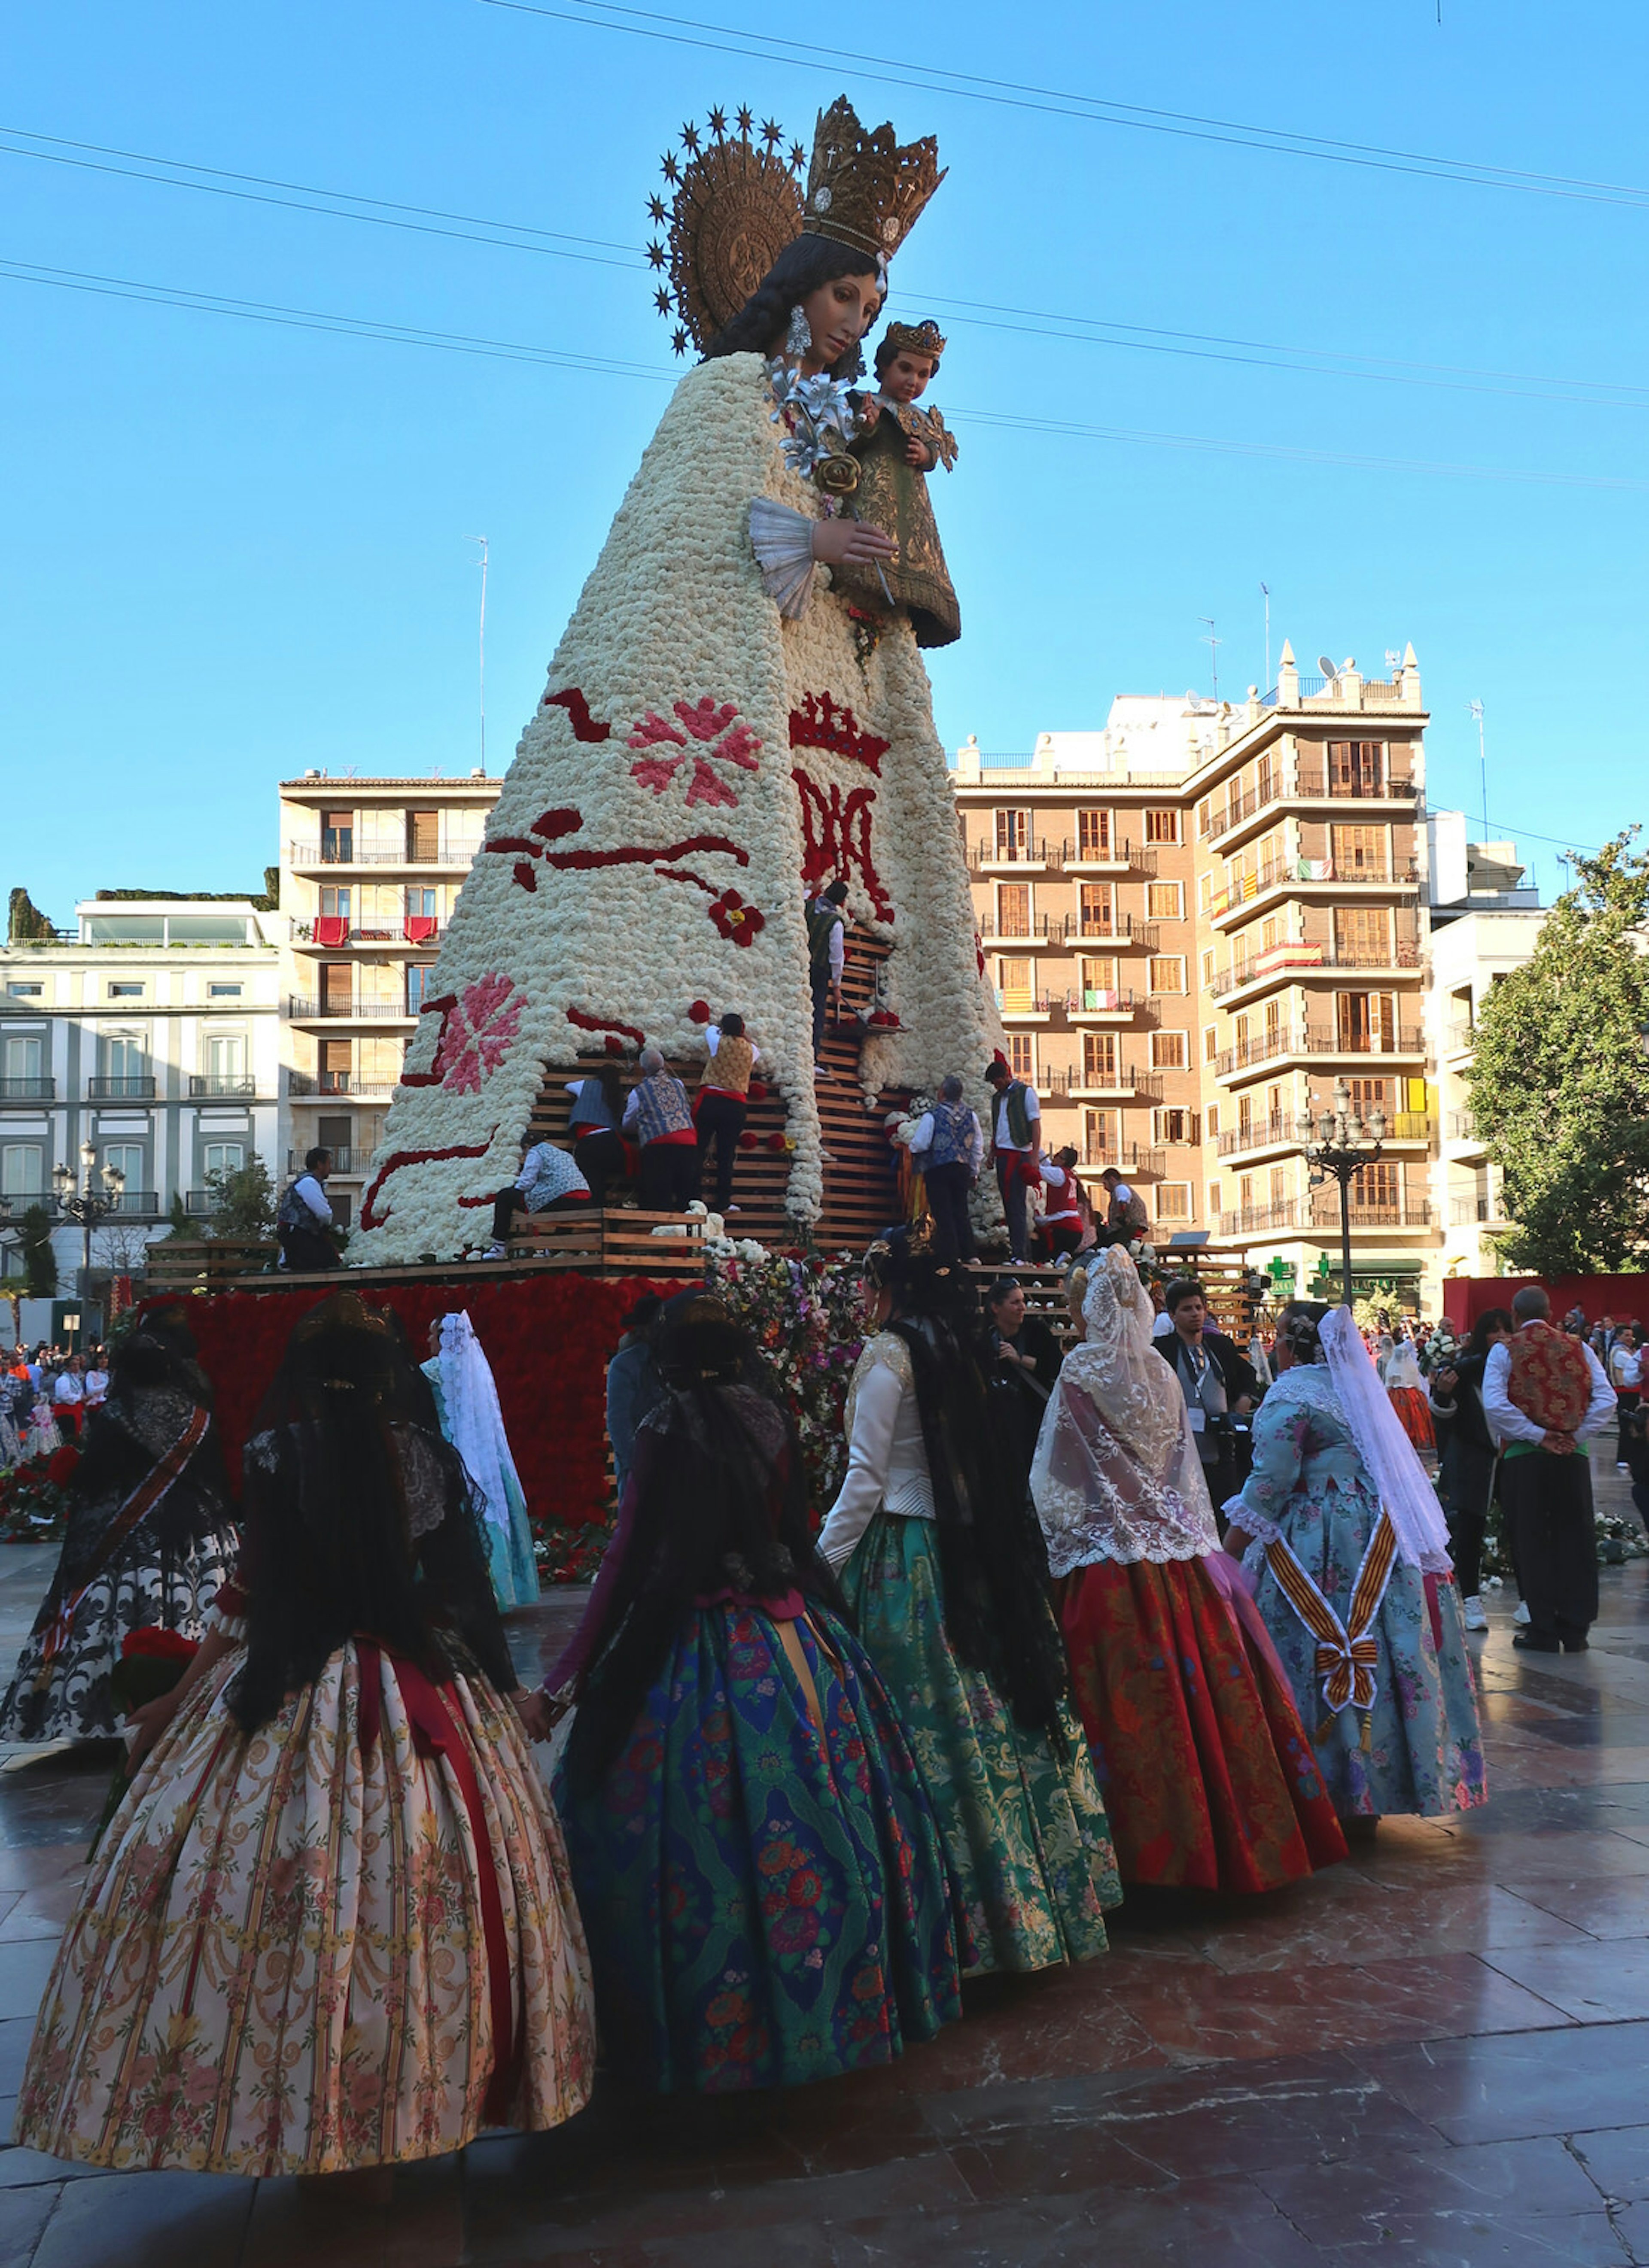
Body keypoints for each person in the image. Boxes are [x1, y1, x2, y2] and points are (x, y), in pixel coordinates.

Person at [16, 1292, 595, 2174]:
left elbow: (251, 1594)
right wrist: (506, 1695)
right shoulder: (422, 1456)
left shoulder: (281, 1453)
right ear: (387, 1379)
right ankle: (431, 2078)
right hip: (421, 1686)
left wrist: (178, 1699)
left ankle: (284, 2092)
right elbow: (464, 1591)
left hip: (289, 1683)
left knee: (271, 1885)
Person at [548, 1293, 962, 2092]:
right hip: (795, 1637)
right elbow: (792, 1528)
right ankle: (842, 1999)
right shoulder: (768, 1424)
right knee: (833, 1799)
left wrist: (565, 1682)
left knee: (670, 1825)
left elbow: (628, 1558)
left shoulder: (662, 1431)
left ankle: (701, 2026)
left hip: (690, 1653)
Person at [818, 1229, 1119, 1974]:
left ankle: (943, 1918)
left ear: (891, 1289)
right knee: (983, 1719)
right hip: (964, 1554)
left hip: (901, 1554)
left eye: (866, 1280)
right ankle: (1022, 1903)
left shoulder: (889, 1356)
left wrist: (820, 1566)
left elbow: (865, 1479)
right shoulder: (952, 1350)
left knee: (923, 1726)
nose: (859, 1293)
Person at [1031, 1251, 1346, 1890]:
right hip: (1181, 1553)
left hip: (1109, 1563)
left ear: (1089, 1308)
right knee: (1211, 1697)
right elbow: (1181, 1465)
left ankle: (1130, 1861)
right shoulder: (1163, 1371)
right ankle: (1230, 1841)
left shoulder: (1082, 1367)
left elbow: (1058, 1469)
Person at [1223, 1303, 1487, 1823]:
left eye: (1278, 1337)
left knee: (1308, 1639)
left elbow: (1272, 1479)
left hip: (1314, 1531)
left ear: (1292, 1344)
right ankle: (1376, 1784)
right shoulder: (1359, 1391)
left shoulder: (1292, 1392)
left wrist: (1226, 1550)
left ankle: (1325, 1785)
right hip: (1378, 1528)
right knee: (1384, 1643)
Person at [0, 1306, 238, 1744]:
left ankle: (101, 1716)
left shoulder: (116, 1414)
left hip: (123, 1538)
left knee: (111, 1614)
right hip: (197, 1539)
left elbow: (97, 1482)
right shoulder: (197, 1415)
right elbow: (215, 1479)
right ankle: (200, 1703)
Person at [1482, 1284, 1616, 1654]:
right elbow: (1607, 1399)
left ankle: (1542, 1627)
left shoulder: (1504, 1350)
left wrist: (1538, 1435)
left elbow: (1495, 1404)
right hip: (1572, 1457)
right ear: (1552, 1314)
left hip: (1524, 1458)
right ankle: (1576, 1629)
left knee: (1532, 1539)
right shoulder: (1581, 1347)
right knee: (1576, 1538)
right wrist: (1573, 1435)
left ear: (1515, 1314)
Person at [839, 317, 960, 647]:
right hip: (871, 494)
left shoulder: (922, 419)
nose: (913, 381)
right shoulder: (863, 402)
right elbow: (845, 446)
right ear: (884, 366)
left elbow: (938, 451)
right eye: (905, 369)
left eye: (923, 375)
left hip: (912, 506)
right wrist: (867, 427)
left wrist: (927, 455)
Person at [422, 1311, 540, 1611]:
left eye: (433, 1334)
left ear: (446, 1337)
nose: (428, 1340)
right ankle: (505, 1589)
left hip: (452, 1448)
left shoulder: (435, 1369)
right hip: (487, 1454)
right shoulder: (476, 1367)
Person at [1427, 1308, 1515, 1634]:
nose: (1502, 1336)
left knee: (1520, 1527)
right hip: (1473, 1461)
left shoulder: (1519, 1369)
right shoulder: (1465, 1369)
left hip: (1511, 1459)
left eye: (1507, 1329)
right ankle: (1473, 1600)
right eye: (1494, 1330)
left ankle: (1530, 1602)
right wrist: (1444, 1393)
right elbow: (1443, 1415)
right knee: (1470, 1530)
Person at [1154, 1277, 1259, 1515]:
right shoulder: (1162, 1350)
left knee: (1225, 1516)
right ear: (1172, 1315)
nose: (1195, 1314)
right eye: (1187, 1309)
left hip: (1221, 1452)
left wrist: (1244, 1401)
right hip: (1179, 1455)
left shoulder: (1220, 1345)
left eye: (1199, 1308)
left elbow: (1248, 1375)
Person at [980, 1274, 1063, 1492]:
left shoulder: (1037, 1332)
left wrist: (1021, 1360)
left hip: (1034, 1420)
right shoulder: (984, 1337)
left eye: (1022, 1301)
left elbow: (1056, 1367)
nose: (1022, 1307)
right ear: (996, 1308)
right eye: (1015, 1302)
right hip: (1001, 1423)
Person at [905, 1075, 983, 1263]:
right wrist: (974, 1171)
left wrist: (911, 1145)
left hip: (939, 1168)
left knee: (943, 1212)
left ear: (942, 1093)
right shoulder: (971, 1116)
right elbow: (977, 1146)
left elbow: (920, 1144)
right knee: (961, 1211)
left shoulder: (933, 1116)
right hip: (962, 1168)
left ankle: (951, 1254)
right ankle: (970, 1254)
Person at [488, 1134, 593, 1256]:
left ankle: (499, 1247)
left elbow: (526, 1183)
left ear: (527, 1147)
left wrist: (515, 1189)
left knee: (504, 1196)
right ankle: (552, 1251)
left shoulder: (535, 1152)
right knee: (565, 1212)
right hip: (585, 1199)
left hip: (564, 1198)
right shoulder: (564, 1154)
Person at [606, 1292, 666, 1499]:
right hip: (640, 1464)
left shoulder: (668, 1360)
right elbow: (618, 1421)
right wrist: (638, 1463)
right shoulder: (626, 1364)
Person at [623, 1047, 698, 1211]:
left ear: (643, 1069)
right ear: (664, 1065)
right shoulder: (679, 1084)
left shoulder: (638, 1093)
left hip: (658, 1144)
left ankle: (661, 1231)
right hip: (688, 1140)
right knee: (686, 1192)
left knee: (659, 1194)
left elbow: (628, 1124)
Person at [696, 1011, 756, 1214]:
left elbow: (711, 1030)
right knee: (727, 1154)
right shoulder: (751, 1050)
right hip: (736, 1106)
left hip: (712, 1101)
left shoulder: (716, 1040)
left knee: (699, 1149)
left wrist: (722, 1028)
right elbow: (755, 1048)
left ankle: (694, 1198)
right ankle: (723, 1202)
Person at [983, 1058, 1042, 1265]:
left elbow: (1035, 1125)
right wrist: (992, 1153)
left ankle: (1021, 1255)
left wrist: (1035, 1156)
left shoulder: (1026, 1093)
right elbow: (997, 1128)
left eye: (997, 1082)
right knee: (1009, 1206)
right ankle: (1019, 1253)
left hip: (1019, 1155)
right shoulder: (996, 1099)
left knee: (1016, 1204)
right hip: (1003, 1155)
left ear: (1005, 1077)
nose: (996, 1087)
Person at [565, 1061, 628, 1207]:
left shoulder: (586, 1086)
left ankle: (598, 1214)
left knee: (594, 1184)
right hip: (613, 1144)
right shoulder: (617, 1092)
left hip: (590, 1143)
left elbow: (568, 1086)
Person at [806, 880, 849, 1074]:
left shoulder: (806, 905)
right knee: (816, 1012)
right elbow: (836, 956)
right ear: (842, 902)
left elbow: (799, 896)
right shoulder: (835, 923)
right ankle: (811, 1057)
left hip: (799, 964)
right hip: (819, 971)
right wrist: (837, 985)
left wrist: (810, 889)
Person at [276, 1145, 339, 1272]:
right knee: (327, 1263)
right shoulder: (309, 1183)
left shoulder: (307, 1182)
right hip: (300, 1237)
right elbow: (324, 1214)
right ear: (319, 1165)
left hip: (301, 1235)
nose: (331, 1168)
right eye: (329, 1163)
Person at [1384, 1334, 1436, 1457]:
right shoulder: (1405, 1364)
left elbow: (1389, 1382)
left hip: (1401, 1394)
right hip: (1407, 1394)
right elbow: (1415, 1380)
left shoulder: (1396, 1364)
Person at [1038, 1146, 1090, 1261]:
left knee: (1046, 1255)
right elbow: (1044, 1163)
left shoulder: (1058, 1174)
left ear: (1063, 1161)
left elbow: (1038, 1170)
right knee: (1059, 1260)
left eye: (1057, 1156)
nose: (1054, 1158)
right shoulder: (1068, 1175)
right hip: (1075, 1229)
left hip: (1063, 1228)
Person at [1610, 1324, 1642, 1470]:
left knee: (1632, 1425)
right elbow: (1633, 1366)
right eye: (1626, 1336)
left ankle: (1628, 1456)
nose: (1630, 1339)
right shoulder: (1619, 1352)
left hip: (1633, 1393)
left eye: (1631, 1336)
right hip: (1625, 1393)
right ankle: (1623, 1457)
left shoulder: (1628, 1351)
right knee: (1626, 1425)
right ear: (1618, 1336)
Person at [51, 1355, 86, 1437]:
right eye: (74, 1365)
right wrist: (79, 1398)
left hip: (75, 1409)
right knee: (69, 1435)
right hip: (66, 1411)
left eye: (78, 1365)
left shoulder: (77, 1378)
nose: (77, 1367)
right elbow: (64, 1396)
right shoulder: (64, 1379)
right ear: (67, 1367)